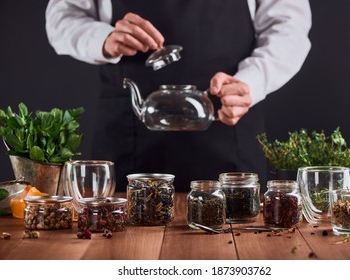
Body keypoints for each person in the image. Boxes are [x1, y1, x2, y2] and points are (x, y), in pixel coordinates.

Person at [45, 0, 312, 192]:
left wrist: (248, 83)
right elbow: (62, 16)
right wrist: (104, 38)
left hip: (228, 131)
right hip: (130, 136)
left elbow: (289, 26)